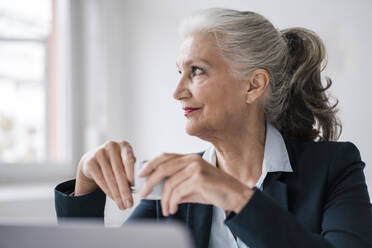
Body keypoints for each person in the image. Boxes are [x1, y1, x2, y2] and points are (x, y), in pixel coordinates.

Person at [55, 8, 372, 248]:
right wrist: (85, 181)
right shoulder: (174, 184)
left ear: (253, 85)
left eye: (196, 71)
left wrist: (235, 196)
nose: (177, 91)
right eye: (179, 71)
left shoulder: (334, 167)